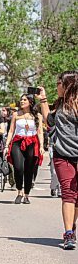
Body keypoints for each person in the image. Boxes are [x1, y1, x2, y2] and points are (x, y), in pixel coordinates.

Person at [38, 70, 77, 250]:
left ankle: (72, 224)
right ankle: (68, 233)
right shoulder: (60, 104)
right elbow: (49, 121)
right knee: (68, 193)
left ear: (67, 84)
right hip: (62, 155)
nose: (57, 87)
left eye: (58, 83)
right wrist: (43, 99)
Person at [5, 94, 44, 204]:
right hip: (17, 142)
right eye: (21, 99)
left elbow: (40, 131)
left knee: (29, 169)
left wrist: (41, 146)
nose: (22, 101)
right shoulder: (16, 114)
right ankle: (19, 191)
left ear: (30, 102)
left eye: (24, 99)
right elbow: (11, 131)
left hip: (32, 142)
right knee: (18, 167)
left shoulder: (37, 115)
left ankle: (26, 195)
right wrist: (6, 145)